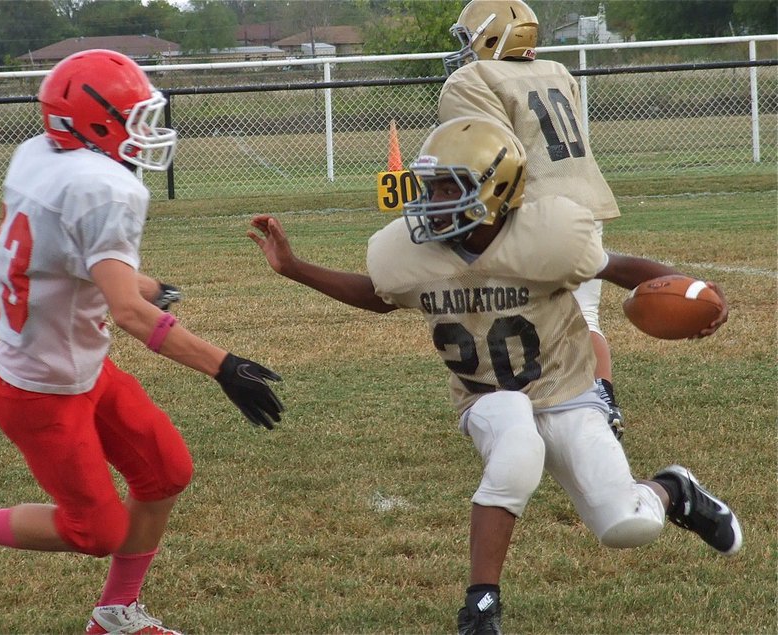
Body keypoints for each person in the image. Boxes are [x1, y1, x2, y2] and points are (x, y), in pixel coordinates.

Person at [247, 116, 742, 635]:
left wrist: (696, 290)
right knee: (513, 432)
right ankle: (481, 605)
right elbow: (379, 295)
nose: (431, 200)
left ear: (495, 190)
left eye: (447, 187)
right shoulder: (409, 252)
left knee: (627, 524)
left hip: (568, 393)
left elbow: (619, 268)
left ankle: (673, 490)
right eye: (430, 186)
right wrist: (295, 267)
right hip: (484, 394)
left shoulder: (549, 238)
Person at [0, 49, 283, 635]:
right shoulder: (101, 186)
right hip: (41, 392)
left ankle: (115, 614)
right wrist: (224, 366)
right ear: (91, 122)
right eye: (132, 116)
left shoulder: (40, 155)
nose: (144, 131)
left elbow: (62, 255)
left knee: (166, 471)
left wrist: (145, 283)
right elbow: (130, 314)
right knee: (95, 531)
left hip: (81, 369)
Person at [439, 0, 626, 439]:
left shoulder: (474, 78)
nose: (465, 51)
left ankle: (521, 409)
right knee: (585, 315)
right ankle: (600, 399)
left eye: (469, 39)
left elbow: (486, 154)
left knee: (506, 313)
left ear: (491, 35)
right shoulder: (558, 72)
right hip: (583, 201)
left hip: (532, 209)